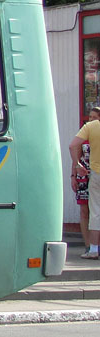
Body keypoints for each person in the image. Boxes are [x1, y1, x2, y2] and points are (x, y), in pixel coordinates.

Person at [70, 106, 100, 259]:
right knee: (87, 210)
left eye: (94, 117)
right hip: (86, 175)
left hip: (95, 173)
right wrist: (73, 174)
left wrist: (77, 166)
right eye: (90, 117)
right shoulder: (86, 130)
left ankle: (94, 248)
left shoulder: (91, 130)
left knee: (95, 211)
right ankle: (90, 246)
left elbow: (72, 146)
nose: (91, 119)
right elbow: (76, 151)